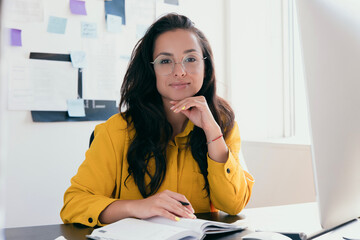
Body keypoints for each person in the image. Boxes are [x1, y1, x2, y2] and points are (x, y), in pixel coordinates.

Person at [60, 13, 254, 227]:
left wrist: (213, 134)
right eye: (165, 61)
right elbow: (74, 203)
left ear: (205, 66)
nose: (179, 72)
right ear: (150, 70)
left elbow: (234, 205)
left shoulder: (222, 124)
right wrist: (138, 207)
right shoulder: (115, 131)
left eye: (190, 59)